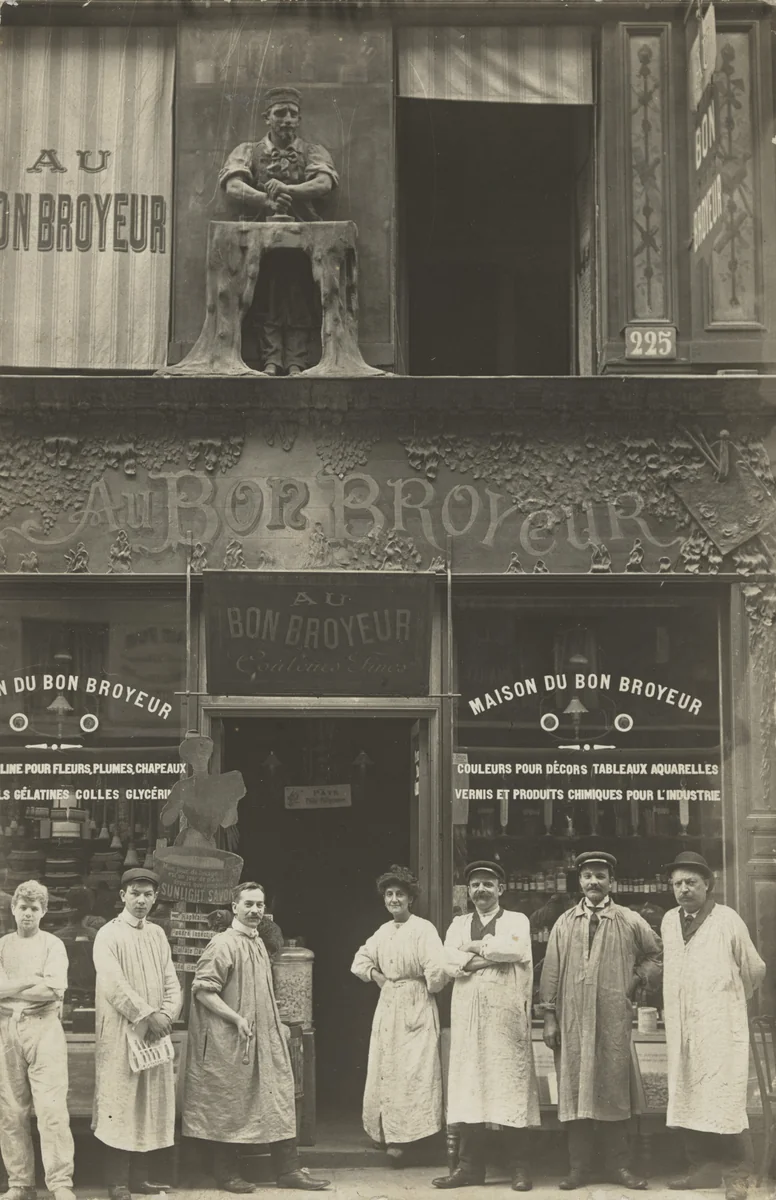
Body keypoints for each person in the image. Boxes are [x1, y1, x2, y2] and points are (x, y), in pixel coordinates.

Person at [183, 881, 330, 1192]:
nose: (254, 911)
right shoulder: (223, 944)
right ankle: (226, 1173)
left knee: (278, 1095)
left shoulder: (259, 943)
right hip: (232, 1038)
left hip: (264, 1035)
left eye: (259, 905)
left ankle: (288, 1170)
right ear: (234, 907)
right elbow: (203, 991)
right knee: (231, 1100)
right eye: (248, 904)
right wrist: (235, 1018)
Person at [540, 851, 662, 1191]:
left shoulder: (628, 919)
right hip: (573, 1019)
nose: (594, 882)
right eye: (588, 875)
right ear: (579, 881)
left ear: (612, 881)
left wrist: (636, 980)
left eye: (601, 876)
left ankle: (619, 1168)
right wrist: (549, 1016)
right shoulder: (565, 922)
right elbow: (550, 972)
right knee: (576, 1090)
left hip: (611, 1018)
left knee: (612, 1089)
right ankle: (578, 1169)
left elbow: (656, 954)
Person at [662, 851, 766, 1200]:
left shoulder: (727, 920)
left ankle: (739, 1175)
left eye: (691, 882)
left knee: (725, 1097)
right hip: (684, 1026)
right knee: (691, 1093)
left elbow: (754, 968)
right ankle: (702, 1171)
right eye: (678, 883)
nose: (684, 889)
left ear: (708, 884)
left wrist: (729, 999)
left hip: (721, 1024)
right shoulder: (667, 921)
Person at [432, 861, 539, 1192]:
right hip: (468, 1017)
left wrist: (475, 948)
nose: (481, 890)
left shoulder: (516, 920)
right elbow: (446, 961)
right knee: (470, 1088)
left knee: (510, 1087)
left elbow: (516, 948)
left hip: (506, 1017)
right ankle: (469, 1168)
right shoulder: (458, 924)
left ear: (500, 890)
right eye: (475, 885)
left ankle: (519, 1167)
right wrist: (489, 955)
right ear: (469, 891)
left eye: (488, 884)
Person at [218, 87, 339, 376]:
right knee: (263, 295)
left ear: (299, 120)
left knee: (299, 295)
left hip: (302, 240)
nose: (287, 119)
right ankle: (270, 359)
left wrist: (288, 191)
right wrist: (265, 199)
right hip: (258, 241)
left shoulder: (312, 151)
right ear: (267, 118)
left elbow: (323, 183)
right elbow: (233, 185)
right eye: (280, 113)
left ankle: (297, 359)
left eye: (292, 114)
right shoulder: (247, 151)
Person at [92, 868, 182, 1200]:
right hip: (121, 1032)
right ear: (123, 896)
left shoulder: (157, 934)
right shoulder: (108, 934)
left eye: (148, 894)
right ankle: (117, 1181)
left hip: (154, 1033)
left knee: (149, 1102)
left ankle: (140, 1179)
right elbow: (115, 985)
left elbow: (171, 980)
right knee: (121, 1101)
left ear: (155, 898)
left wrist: (168, 1013)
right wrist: (147, 1015)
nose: (141, 900)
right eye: (135, 893)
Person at [351, 865, 448, 1165]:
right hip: (389, 1002)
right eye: (389, 895)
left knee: (414, 1069)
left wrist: (423, 987)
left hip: (416, 1002)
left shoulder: (423, 929)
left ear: (410, 899)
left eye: (400, 895)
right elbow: (359, 960)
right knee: (387, 1066)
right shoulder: (383, 931)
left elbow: (437, 970)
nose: (394, 900)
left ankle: (410, 1137)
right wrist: (377, 976)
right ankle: (387, 1132)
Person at [0, 880, 75, 1200]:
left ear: (43, 911)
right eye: (23, 907)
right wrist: (30, 980)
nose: (28, 913)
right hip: (6, 1028)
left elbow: (53, 989)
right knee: (11, 1111)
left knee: (52, 1110)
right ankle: (20, 1183)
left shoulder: (53, 945)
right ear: (13, 909)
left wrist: (14, 987)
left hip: (44, 1027)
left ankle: (60, 1183)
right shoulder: (2, 945)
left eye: (34, 908)